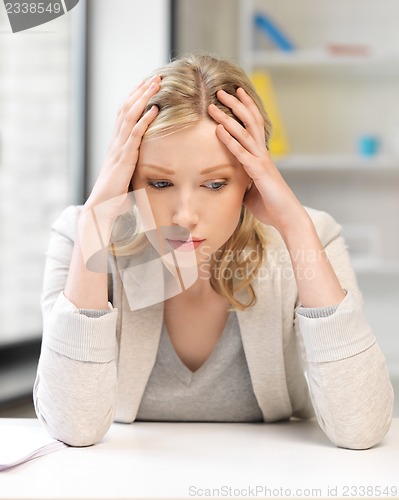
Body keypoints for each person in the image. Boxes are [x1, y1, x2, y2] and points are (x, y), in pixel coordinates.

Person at [34, 53, 393, 450]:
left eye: (216, 184)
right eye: (159, 183)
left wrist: (295, 226)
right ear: (129, 175)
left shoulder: (310, 238)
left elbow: (361, 428)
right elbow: (73, 426)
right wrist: (95, 225)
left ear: (251, 180)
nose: (184, 217)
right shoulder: (82, 235)